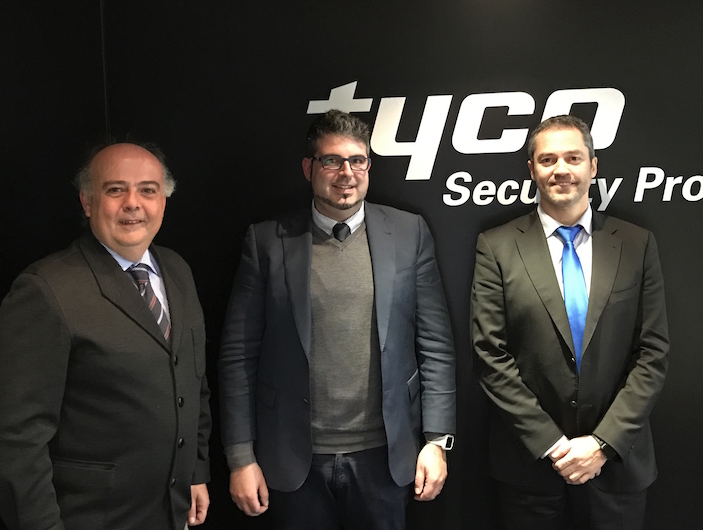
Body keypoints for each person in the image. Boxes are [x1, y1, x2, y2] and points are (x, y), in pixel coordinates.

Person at [219, 109, 456, 529]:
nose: (346, 173)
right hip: (294, 460)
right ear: (309, 168)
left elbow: (435, 345)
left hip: (385, 458)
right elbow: (238, 354)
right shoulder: (267, 241)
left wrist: (437, 441)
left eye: (357, 160)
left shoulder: (409, 233)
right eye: (332, 160)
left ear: (368, 166)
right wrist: (240, 457)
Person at [0, 142, 211, 530]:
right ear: (87, 202)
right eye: (116, 189)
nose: (133, 203)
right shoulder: (46, 290)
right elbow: (16, 440)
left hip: (173, 512)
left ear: (163, 202)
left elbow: (193, 382)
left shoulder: (178, 271)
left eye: (148, 190)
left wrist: (195, 470)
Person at [471, 115, 670, 529]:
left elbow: (652, 353)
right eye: (548, 159)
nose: (561, 169)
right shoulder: (496, 246)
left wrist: (602, 443)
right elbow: (490, 355)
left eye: (573, 158)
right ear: (532, 169)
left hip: (616, 466)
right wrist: (552, 444)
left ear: (593, 166)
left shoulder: (636, 243)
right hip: (530, 470)